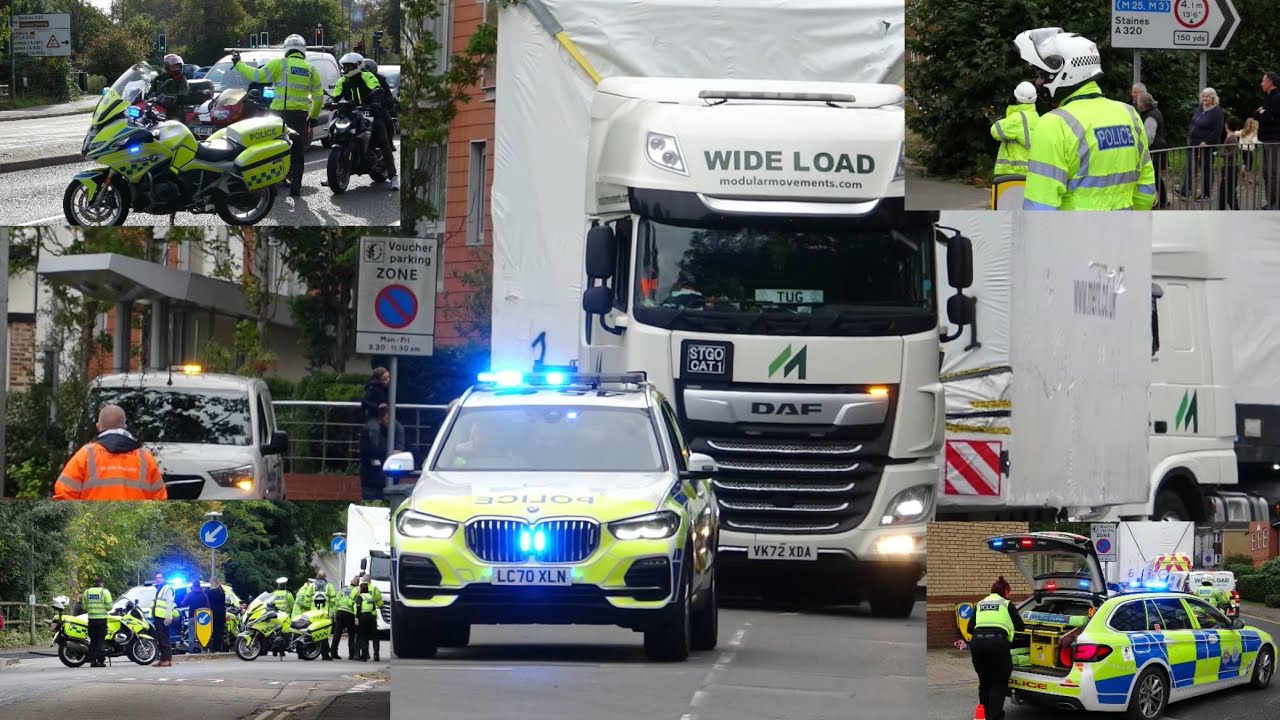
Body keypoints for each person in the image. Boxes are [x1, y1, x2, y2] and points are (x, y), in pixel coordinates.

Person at [1015, 28, 1155, 210]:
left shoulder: (1054, 124)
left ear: (1065, 71)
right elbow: (1146, 192)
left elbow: (1040, 207)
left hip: (1074, 235)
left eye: (1042, 75)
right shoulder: (1129, 114)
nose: (1038, 82)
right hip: (1124, 233)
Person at [231, 34, 322, 198]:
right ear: (303, 50)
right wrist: (313, 118)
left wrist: (238, 63)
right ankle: (296, 187)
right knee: (297, 151)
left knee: (274, 149)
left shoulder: (279, 64)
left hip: (278, 115)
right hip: (299, 115)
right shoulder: (311, 69)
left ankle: (270, 183)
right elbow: (318, 97)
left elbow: (255, 75)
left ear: (286, 49)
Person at [54, 404, 167, 500]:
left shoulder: (85, 455)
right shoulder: (145, 457)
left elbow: (64, 494)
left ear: (98, 427)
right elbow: (159, 500)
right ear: (125, 427)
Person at [334, 53, 399, 191]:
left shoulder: (368, 77)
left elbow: (378, 89)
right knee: (334, 129)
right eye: (344, 67)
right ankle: (335, 173)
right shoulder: (343, 81)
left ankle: (393, 176)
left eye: (348, 66)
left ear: (357, 66)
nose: (345, 69)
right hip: (352, 114)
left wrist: (376, 102)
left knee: (383, 141)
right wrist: (331, 102)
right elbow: (336, 95)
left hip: (373, 114)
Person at [967, 581, 1026, 720]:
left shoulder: (980, 604)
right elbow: (1021, 626)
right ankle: (994, 717)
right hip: (998, 645)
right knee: (998, 683)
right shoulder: (1006, 604)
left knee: (985, 682)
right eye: (1008, 592)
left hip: (977, 645)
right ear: (1005, 591)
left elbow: (970, 628)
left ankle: (984, 715)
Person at [361, 57, 400, 188]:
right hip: (358, 115)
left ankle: (393, 176)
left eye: (368, 71)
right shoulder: (357, 80)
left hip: (376, 116)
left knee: (384, 141)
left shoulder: (381, 81)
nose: (366, 74)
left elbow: (390, 99)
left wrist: (380, 104)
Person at [1181, 87, 1225, 201]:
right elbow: (1193, 122)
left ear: (1213, 98)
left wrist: (1207, 142)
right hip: (1193, 143)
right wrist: (1189, 135)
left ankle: (1206, 194)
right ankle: (1186, 191)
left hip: (1207, 146)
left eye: (1207, 96)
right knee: (1191, 166)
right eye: (1203, 96)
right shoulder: (1200, 108)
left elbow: (1218, 130)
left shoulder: (1217, 112)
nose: (1204, 98)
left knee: (1206, 169)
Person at [990, 82, 1039, 178]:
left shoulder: (1017, 118)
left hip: (1014, 170)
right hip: (1033, 170)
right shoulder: (1037, 117)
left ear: (1017, 98)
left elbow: (995, 131)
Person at [361, 403, 406, 500]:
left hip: (388, 481)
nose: (389, 420)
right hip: (372, 482)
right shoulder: (372, 431)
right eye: (387, 417)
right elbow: (372, 453)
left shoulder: (396, 430)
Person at [1135, 91, 1168, 208]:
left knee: (1154, 176)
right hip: (1157, 149)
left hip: (1154, 150)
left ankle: (1160, 200)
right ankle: (1163, 200)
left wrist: (1140, 150)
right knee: (1156, 176)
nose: (1136, 103)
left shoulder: (1151, 116)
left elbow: (1148, 137)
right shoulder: (1153, 113)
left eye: (1138, 102)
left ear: (1143, 104)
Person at [1253, 72, 1280, 208]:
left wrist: (1263, 113)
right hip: (1265, 140)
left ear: (1270, 82)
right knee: (1266, 173)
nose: (1261, 84)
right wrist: (1261, 113)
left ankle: (1275, 203)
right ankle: (1270, 201)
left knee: (1272, 172)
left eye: (1263, 81)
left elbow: (1269, 118)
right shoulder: (1267, 98)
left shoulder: (1277, 98)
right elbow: (1256, 116)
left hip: (1274, 141)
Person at [82, 577, 113, 667]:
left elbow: (84, 606)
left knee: (93, 640)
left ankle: (92, 661)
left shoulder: (87, 592)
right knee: (101, 640)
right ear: (102, 583)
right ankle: (100, 661)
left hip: (91, 619)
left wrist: (91, 609)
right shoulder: (104, 592)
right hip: (101, 619)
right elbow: (110, 606)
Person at [151, 572, 177, 667]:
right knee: (160, 639)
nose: (158, 579)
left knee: (165, 639)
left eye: (160, 577)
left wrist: (168, 616)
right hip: (157, 617)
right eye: (156, 578)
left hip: (163, 618)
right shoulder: (159, 589)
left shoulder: (167, 588)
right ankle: (162, 659)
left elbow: (169, 603)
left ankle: (167, 659)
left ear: (163, 578)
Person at [152, 53, 189, 120]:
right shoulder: (158, 78)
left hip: (175, 109)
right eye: (173, 67)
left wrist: (172, 97)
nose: (176, 69)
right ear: (167, 67)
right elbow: (151, 91)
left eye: (178, 67)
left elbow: (184, 92)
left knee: (173, 123)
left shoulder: (182, 79)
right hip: (157, 106)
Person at [331, 576, 359, 660]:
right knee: (351, 634)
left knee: (337, 633)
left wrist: (335, 614)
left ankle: (333, 652)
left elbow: (336, 602)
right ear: (358, 583)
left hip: (340, 611)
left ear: (351, 581)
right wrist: (356, 616)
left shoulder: (343, 590)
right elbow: (356, 604)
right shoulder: (357, 591)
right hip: (349, 613)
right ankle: (352, 654)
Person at [1220, 116, 1244, 210]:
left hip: (1230, 167)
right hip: (1228, 167)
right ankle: (1220, 210)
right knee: (1223, 190)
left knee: (1229, 192)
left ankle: (1236, 211)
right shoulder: (1231, 137)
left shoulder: (1232, 138)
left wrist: (1220, 154)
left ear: (1226, 125)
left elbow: (1232, 153)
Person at [355, 578, 378, 661]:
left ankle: (364, 656)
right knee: (367, 637)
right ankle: (366, 654)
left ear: (361, 589)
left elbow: (358, 608)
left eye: (359, 588)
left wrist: (357, 618)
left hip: (362, 617)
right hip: (370, 618)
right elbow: (373, 608)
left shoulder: (360, 597)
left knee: (362, 637)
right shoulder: (370, 597)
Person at [184, 579, 209, 654]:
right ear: (200, 586)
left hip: (192, 616)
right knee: (202, 634)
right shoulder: (204, 595)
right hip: (202, 618)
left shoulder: (190, 594)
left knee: (191, 635)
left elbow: (183, 604)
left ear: (193, 586)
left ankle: (191, 652)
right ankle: (204, 649)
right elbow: (208, 606)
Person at [271, 577, 294, 657]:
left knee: (275, 633)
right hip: (285, 618)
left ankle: (275, 651)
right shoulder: (288, 594)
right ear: (285, 585)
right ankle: (282, 650)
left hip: (275, 616)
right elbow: (292, 606)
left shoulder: (274, 594)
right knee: (284, 635)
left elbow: (270, 604)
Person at [207, 577, 227, 653]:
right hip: (222, 613)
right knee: (221, 631)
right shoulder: (222, 591)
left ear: (212, 583)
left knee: (214, 631)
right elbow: (223, 603)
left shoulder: (210, 592)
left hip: (214, 613)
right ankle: (220, 648)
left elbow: (208, 603)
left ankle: (214, 648)